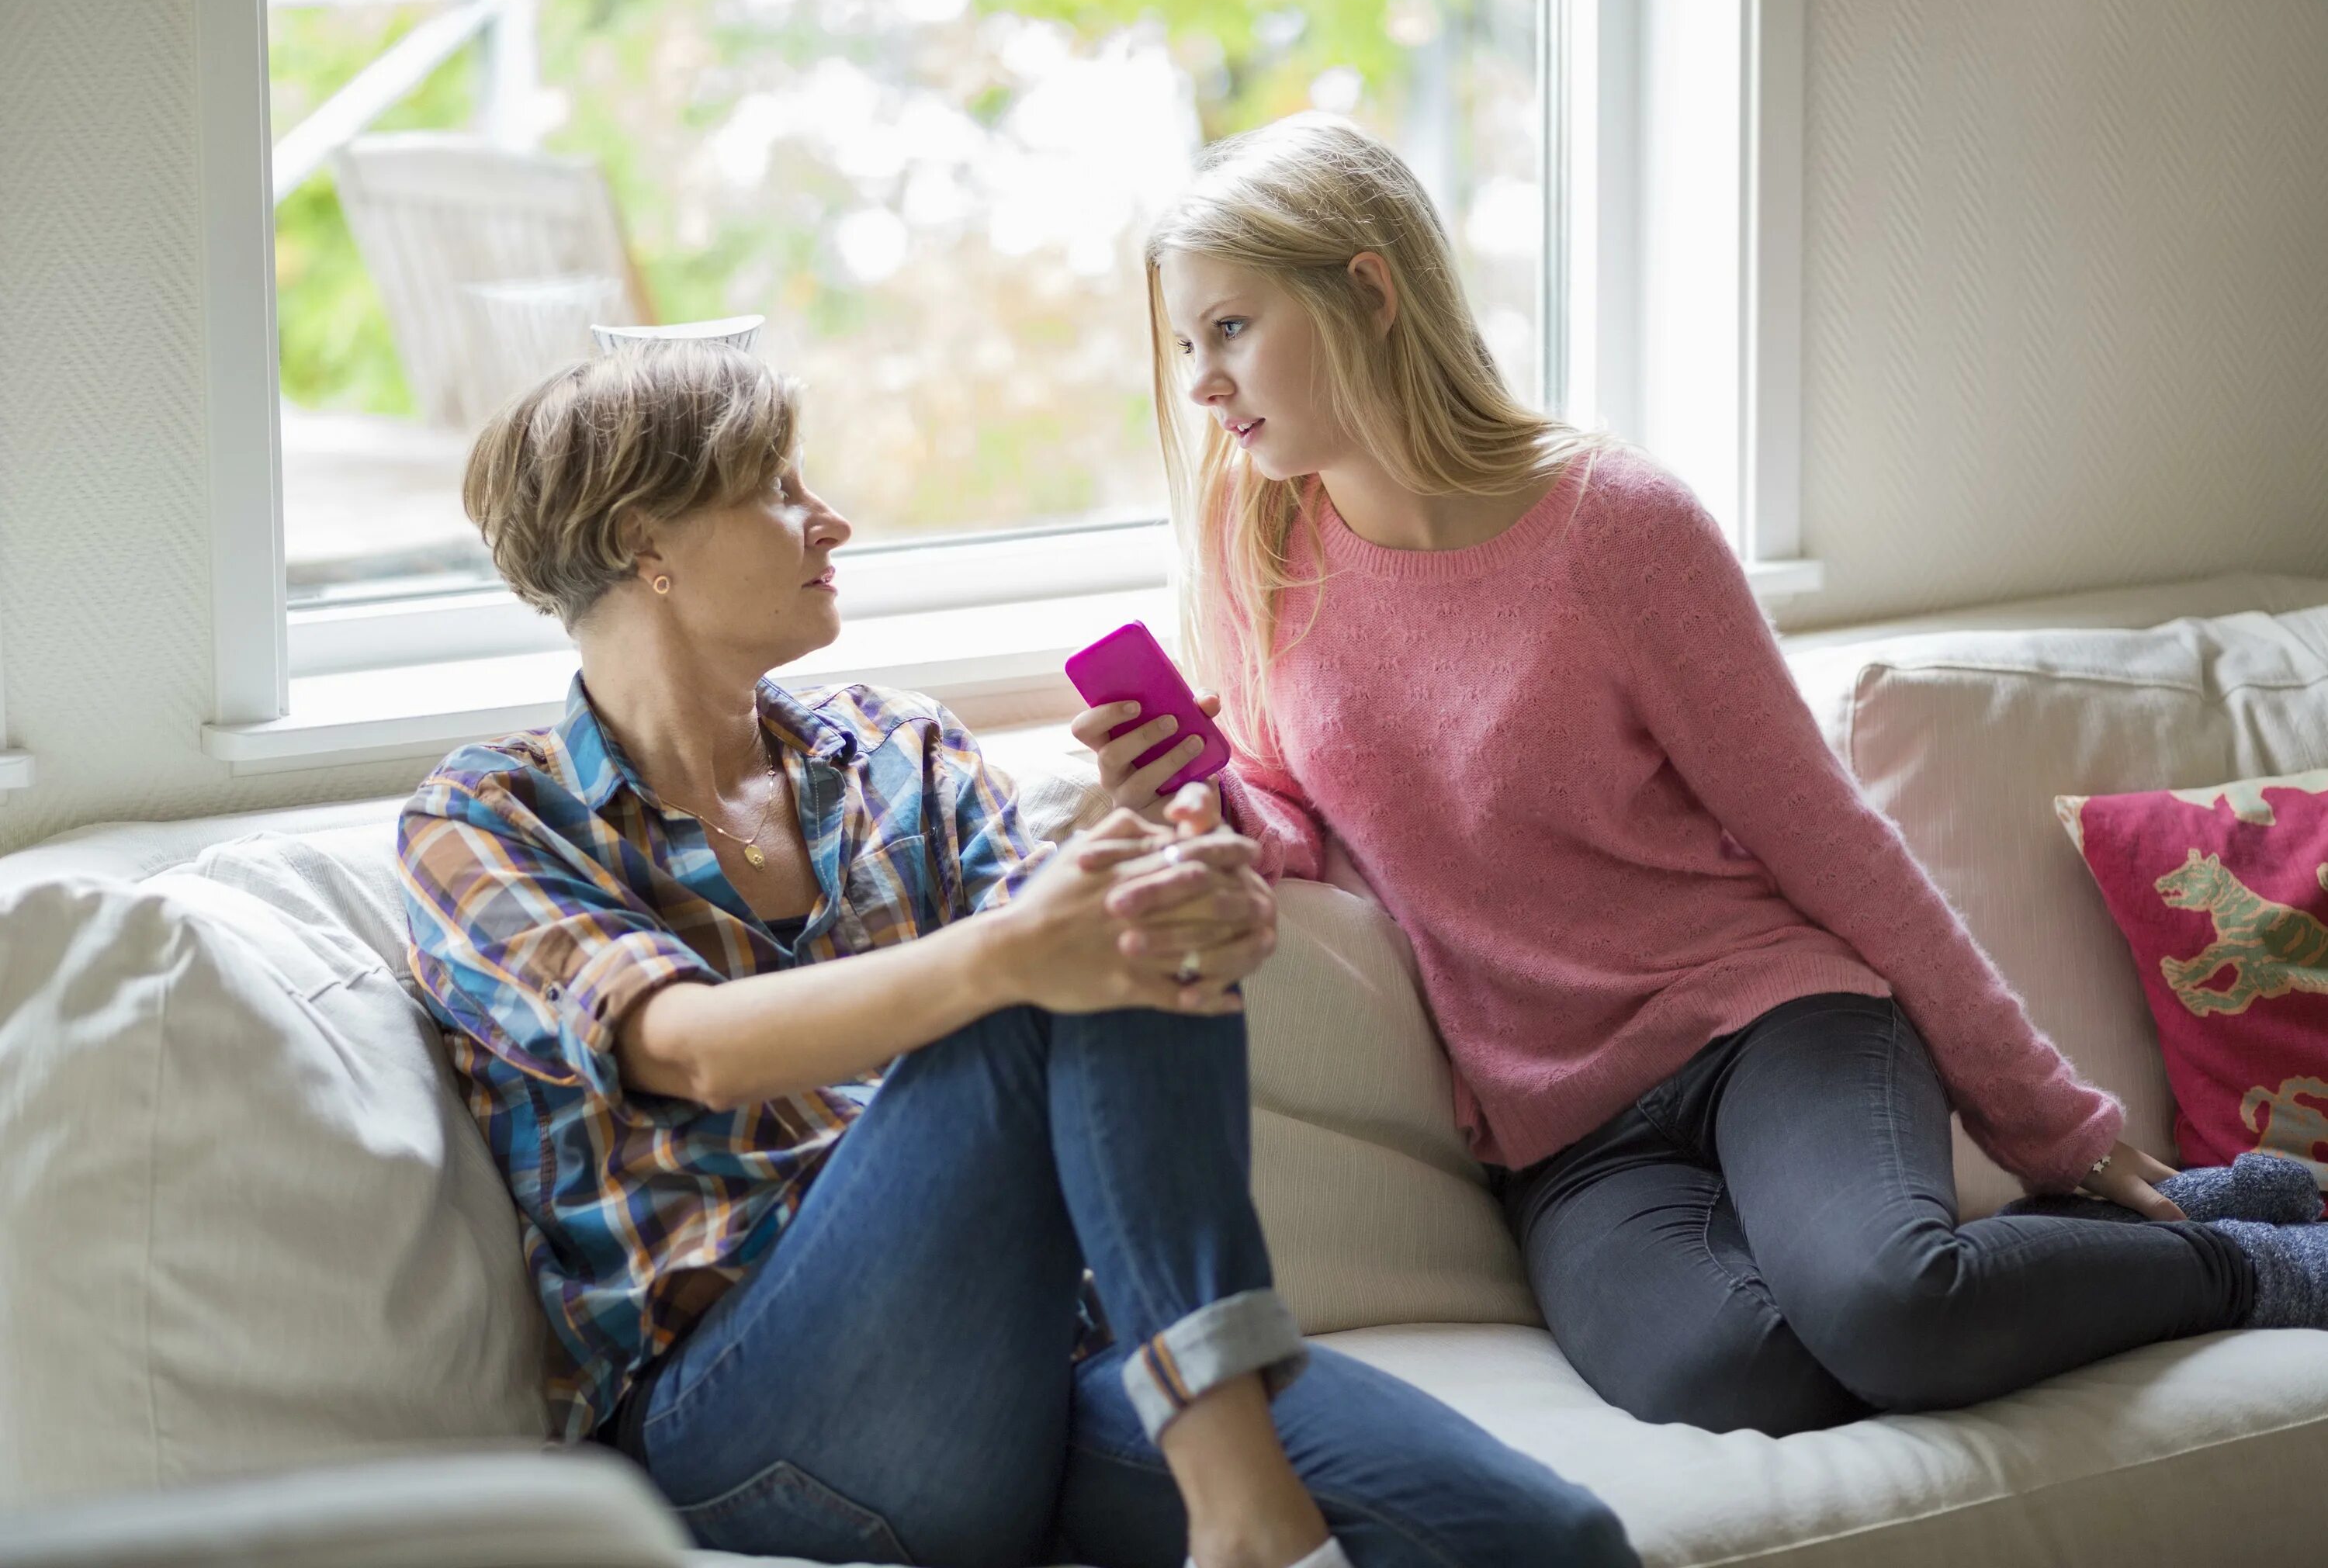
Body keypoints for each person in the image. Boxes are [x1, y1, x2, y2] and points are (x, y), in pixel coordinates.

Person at [1079, 111, 2328, 1440]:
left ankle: (2250, 1260)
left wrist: (2056, 1126)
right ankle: (2115, 1238)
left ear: (1370, 291)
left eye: (1229, 328)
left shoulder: (1619, 529)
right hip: (1563, 1127)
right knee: (1732, 1375)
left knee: (1894, 1305)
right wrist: (1187, 792)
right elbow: (1290, 807)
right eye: (1182, 345)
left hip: (1768, 1021)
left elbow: (1834, 845)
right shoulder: (1255, 539)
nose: (1203, 385)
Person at [397, 340, 1637, 1567]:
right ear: (643, 545)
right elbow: (693, 1052)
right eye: (776, 487)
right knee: (1079, 945)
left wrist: (1187, 891)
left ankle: (1240, 1492)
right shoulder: (487, 818)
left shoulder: (901, 752)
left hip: (1032, 1374)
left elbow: (1085, 999)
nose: (830, 520)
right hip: (751, 1431)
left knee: (1543, 1537)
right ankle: (1244, 1515)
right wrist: (1049, 940)